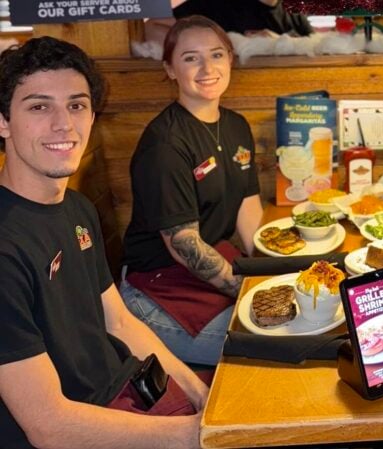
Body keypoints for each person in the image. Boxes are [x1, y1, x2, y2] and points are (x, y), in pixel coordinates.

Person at [0, 36, 207, 449]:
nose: (64, 124)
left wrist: (202, 395)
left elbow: (119, 321)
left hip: (127, 388)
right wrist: (197, 435)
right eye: (40, 106)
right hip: (81, 428)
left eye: (76, 105)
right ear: (3, 122)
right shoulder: (6, 250)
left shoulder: (77, 208)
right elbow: (49, 426)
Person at [121, 16, 264, 366]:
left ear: (230, 58)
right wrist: (250, 290)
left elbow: (248, 207)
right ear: (170, 69)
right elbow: (183, 245)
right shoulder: (165, 143)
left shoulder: (236, 125)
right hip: (158, 287)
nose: (207, 68)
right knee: (265, 346)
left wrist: (267, 268)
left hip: (214, 266)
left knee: (292, 319)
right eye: (190, 58)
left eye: (216, 55)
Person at [145, 0, 312, 45]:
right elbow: (152, 27)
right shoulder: (218, 4)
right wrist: (224, 43)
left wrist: (280, 44)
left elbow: (317, 46)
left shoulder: (295, 8)